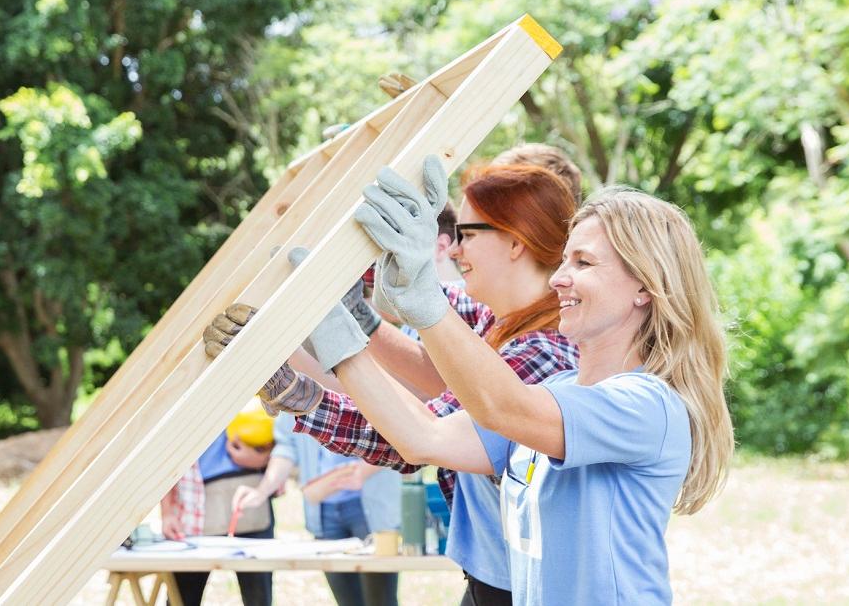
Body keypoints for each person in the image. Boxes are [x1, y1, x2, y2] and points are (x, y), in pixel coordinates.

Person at [342, 165, 735, 604]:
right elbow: (422, 437)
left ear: (644, 286)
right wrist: (337, 338)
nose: (558, 278)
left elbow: (505, 406)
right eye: (565, 259)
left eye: (583, 262)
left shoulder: (646, 405)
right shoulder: (560, 389)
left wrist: (423, 298)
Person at [203, 163, 580, 605]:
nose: (454, 250)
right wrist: (337, 234)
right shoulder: (495, 322)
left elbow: (416, 435)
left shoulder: (542, 357)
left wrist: (299, 393)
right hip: (492, 578)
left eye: (469, 234)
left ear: (516, 242)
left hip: (524, 590)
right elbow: (430, 355)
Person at [232, 416, 401, 606]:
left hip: (370, 508)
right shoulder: (295, 393)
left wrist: (362, 472)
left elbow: (398, 436)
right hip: (324, 513)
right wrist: (261, 491)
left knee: (381, 601)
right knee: (348, 601)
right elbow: (286, 449)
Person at [160, 404, 278, 606]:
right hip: (192, 511)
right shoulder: (176, 402)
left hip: (249, 505)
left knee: (258, 599)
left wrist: (262, 458)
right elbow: (163, 459)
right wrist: (167, 512)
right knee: (182, 599)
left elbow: (284, 443)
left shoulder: (249, 387)